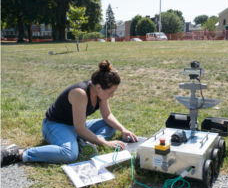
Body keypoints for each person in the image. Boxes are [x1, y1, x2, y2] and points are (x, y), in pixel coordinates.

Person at [1, 60, 138, 167]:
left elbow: (107, 116)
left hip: (75, 126)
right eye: (111, 92)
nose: (112, 96)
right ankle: (19, 153)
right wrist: (105, 143)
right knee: (69, 154)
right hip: (55, 126)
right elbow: (79, 128)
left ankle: (88, 142)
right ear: (98, 87)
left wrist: (123, 129)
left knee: (110, 125)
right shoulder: (80, 93)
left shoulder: (100, 94)